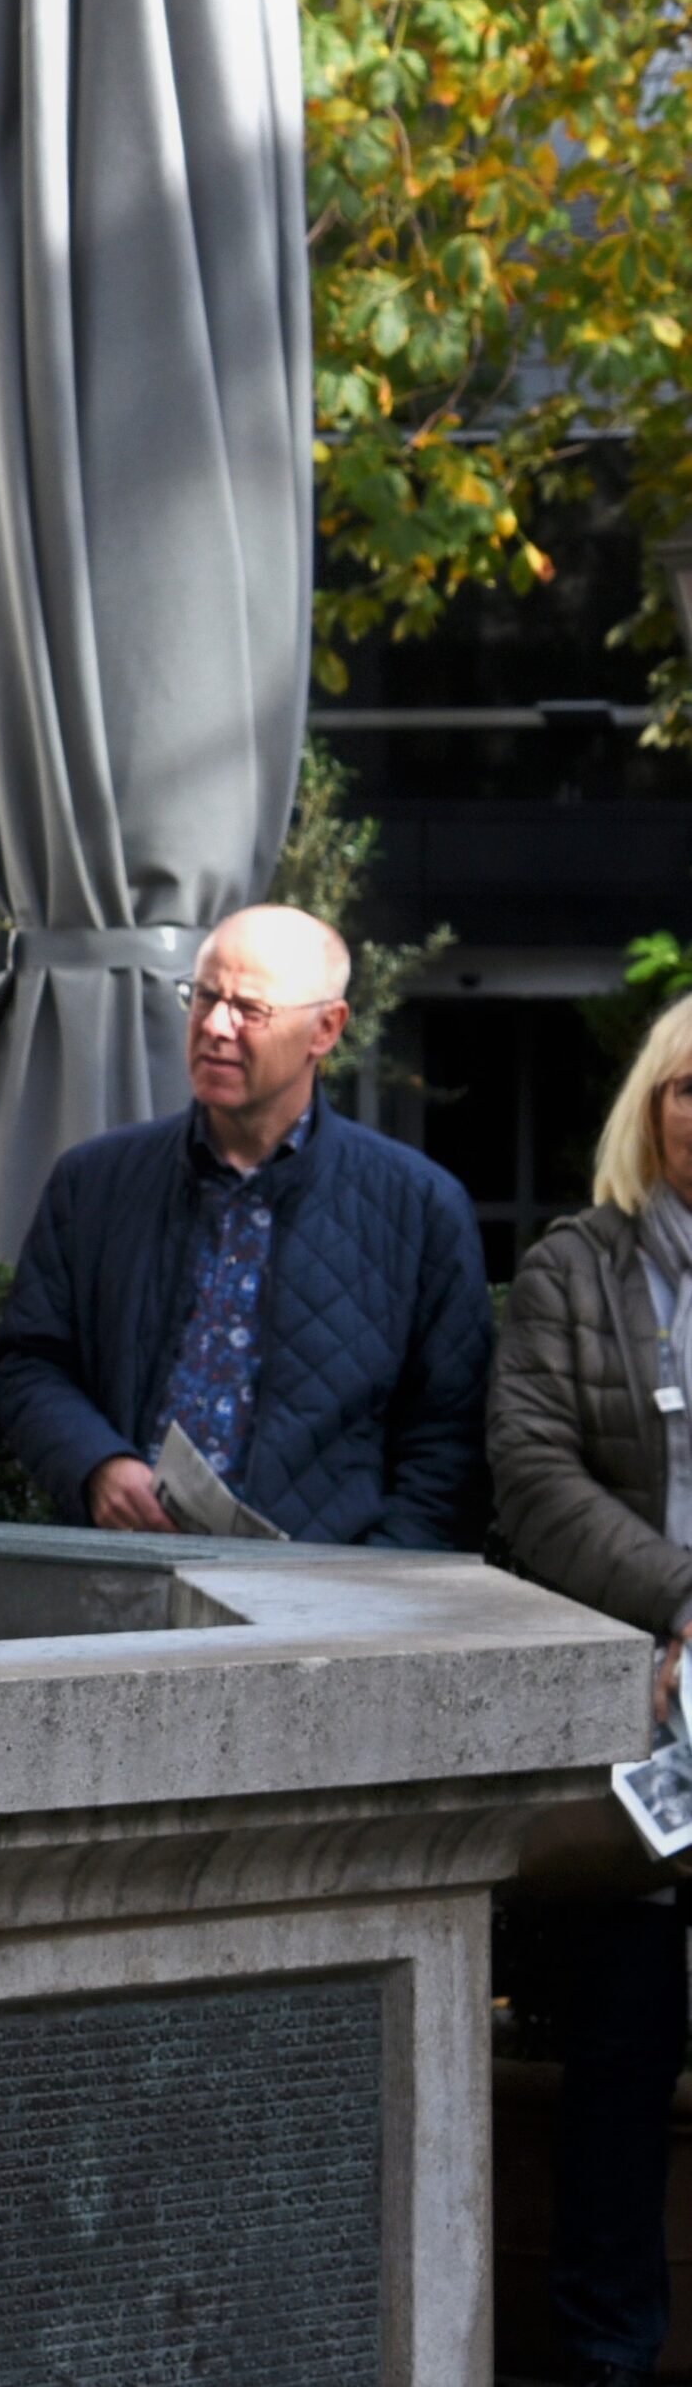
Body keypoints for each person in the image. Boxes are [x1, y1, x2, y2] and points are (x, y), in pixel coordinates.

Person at [0, 903, 493, 1546]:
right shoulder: (93, 1182)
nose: (215, 1027)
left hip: (327, 1607)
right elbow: (27, 1363)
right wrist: (96, 1465)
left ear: (326, 1029)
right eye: (203, 998)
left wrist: (368, 1592)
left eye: (250, 1010)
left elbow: (448, 1446)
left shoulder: (418, 1209)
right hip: (120, 1576)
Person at [490, 992, 692, 2387]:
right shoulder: (577, 1268)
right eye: (689, 1089)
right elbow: (533, 1476)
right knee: (619, 2062)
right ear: (650, 1105)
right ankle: (606, 2354)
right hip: (641, 1706)